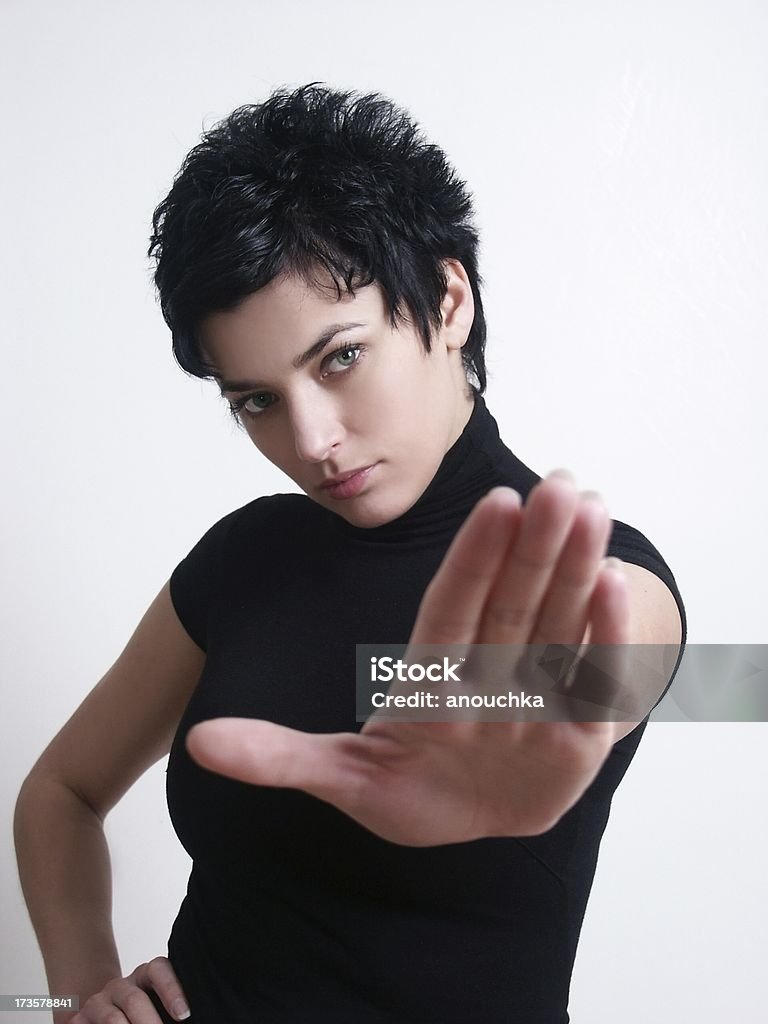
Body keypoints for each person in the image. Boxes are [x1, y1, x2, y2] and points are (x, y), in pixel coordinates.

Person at [14, 83, 686, 1024]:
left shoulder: (601, 570)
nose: (312, 438)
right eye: (256, 400)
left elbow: (666, 672)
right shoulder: (245, 558)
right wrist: (78, 991)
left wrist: (496, 706)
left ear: (449, 301)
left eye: (338, 358)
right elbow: (61, 790)